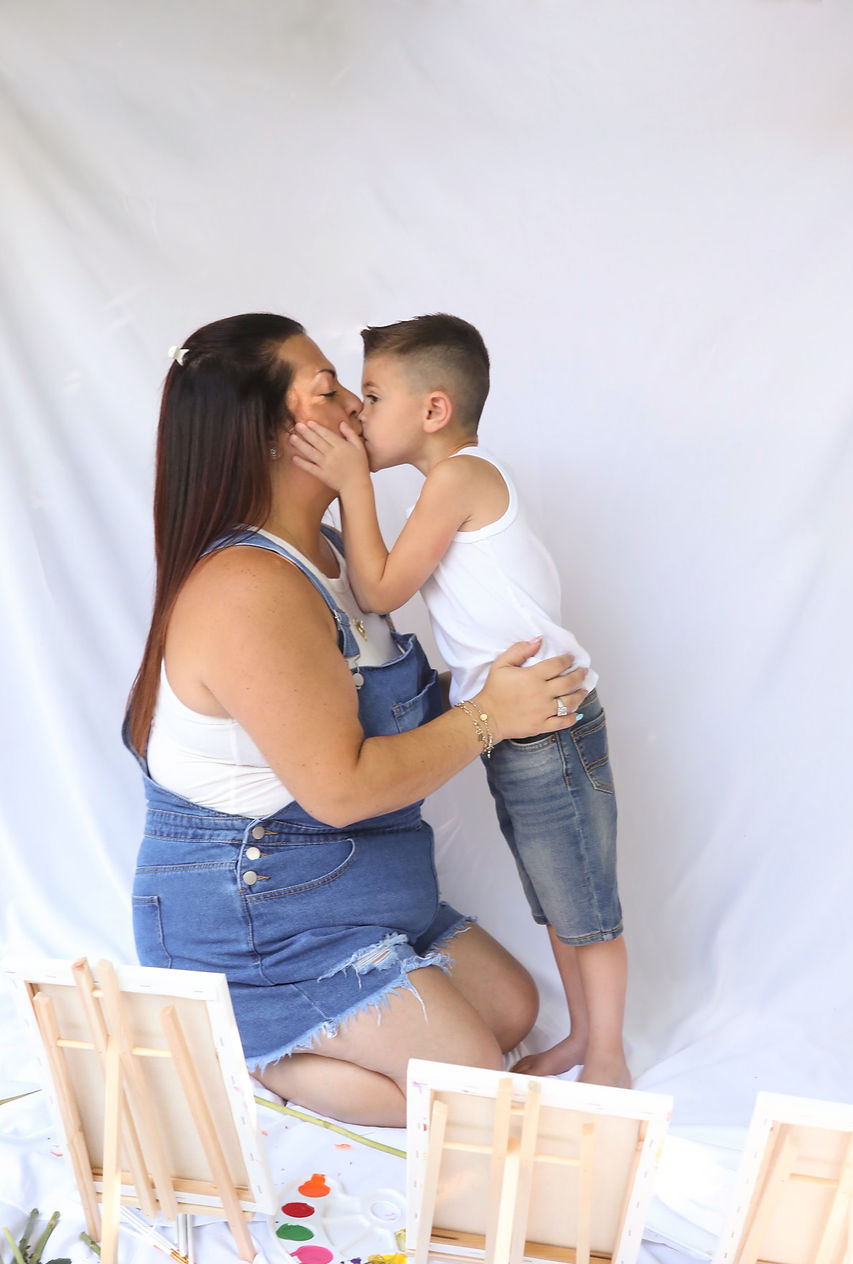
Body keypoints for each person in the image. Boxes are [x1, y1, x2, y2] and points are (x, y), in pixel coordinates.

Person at [124, 312, 587, 1127]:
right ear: (271, 435)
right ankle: (250, 1052)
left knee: (512, 1010)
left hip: (360, 885)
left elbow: (370, 711)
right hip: (259, 912)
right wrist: (487, 718)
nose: (358, 410)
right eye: (333, 391)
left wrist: (495, 678)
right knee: (467, 1083)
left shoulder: (337, 554)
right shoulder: (248, 589)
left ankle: (342, 1026)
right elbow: (339, 788)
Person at [290, 313, 630, 1088]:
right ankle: (581, 1036)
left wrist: (348, 485)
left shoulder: (460, 478)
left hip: (552, 724)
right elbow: (384, 586)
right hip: (514, 726)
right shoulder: (445, 491)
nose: (358, 414)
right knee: (552, 895)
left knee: (585, 902)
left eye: (372, 397)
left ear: (434, 411)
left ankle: (608, 1052)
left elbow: (376, 587)